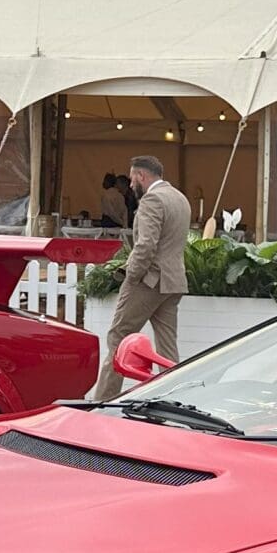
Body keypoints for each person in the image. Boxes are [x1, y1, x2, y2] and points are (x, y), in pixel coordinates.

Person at [90, 154, 191, 401]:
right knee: (167, 348)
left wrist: (130, 276)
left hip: (148, 281)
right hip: (173, 281)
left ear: (141, 176)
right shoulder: (180, 198)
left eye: (132, 176)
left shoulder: (152, 200)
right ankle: (174, 399)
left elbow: (145, 246)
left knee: (118, 338)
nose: (131, 183)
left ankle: (102, 401)